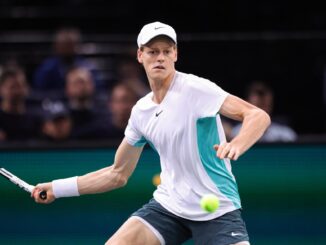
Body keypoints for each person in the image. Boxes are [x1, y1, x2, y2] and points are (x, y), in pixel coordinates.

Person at [32, 21, 271, 245]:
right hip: (169, 206)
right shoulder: (141, 112)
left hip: (217, 208)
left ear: (175, 55)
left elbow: (257, 115)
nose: (160, 57)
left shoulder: (196, 89)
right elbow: (117, 174)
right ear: (140, 55)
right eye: (153, 51)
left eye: (167, 51)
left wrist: (238, 143)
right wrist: (56, 188)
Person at [33, 28, 101, 92]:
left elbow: (98, 89)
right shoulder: (47, 68)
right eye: (64, 45)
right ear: (57, 46)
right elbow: (40, 89)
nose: (67, 49)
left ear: (77, 45)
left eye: (70, 45)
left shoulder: (88, 68)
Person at [231, 80, 297, 142]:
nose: (262, 99)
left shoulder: (286, 135)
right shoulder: (235, 134)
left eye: (265, 105)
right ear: (247, 103)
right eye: (258, 105)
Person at [0, 67, 41, 141]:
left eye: (20, 86)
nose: (16, 91)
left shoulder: (35, 120)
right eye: (12, 87)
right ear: (1, 89)